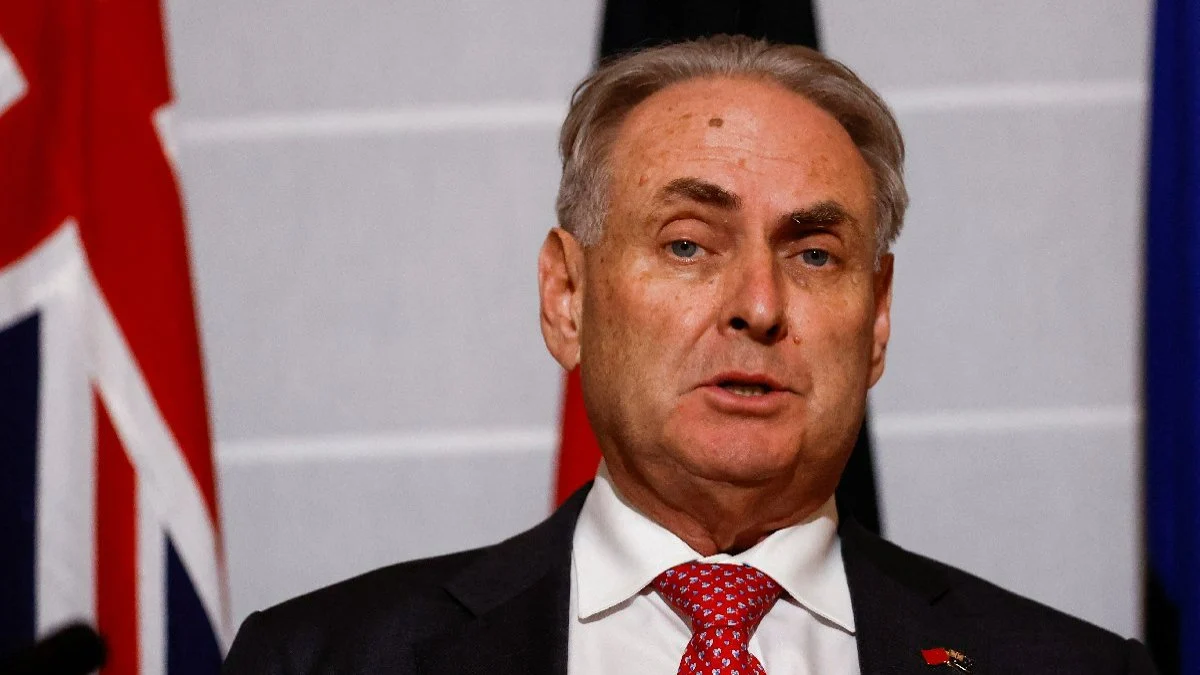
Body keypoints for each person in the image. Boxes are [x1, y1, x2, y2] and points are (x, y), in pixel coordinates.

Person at [222, 35, 1157, 675]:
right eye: (687, 244)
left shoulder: (1073, 666)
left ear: (877, 319)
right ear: (567, 297)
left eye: (814, 254)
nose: (759, 305)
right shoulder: (323, 658)